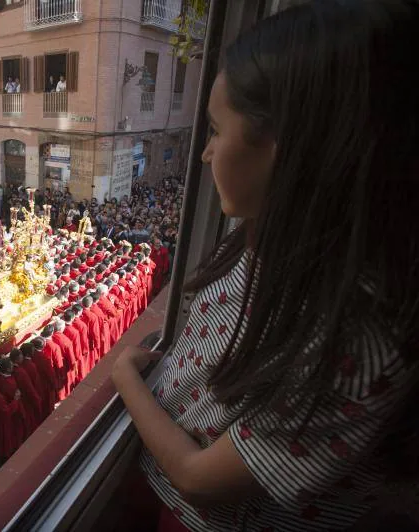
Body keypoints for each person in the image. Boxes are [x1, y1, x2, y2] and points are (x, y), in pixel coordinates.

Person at [112, 2, 419, 531]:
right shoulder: (266, 232)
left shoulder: (354, 335)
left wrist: (123, 374)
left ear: (285, 149)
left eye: (214, 130)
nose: (205, 154)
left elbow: (198, 477)